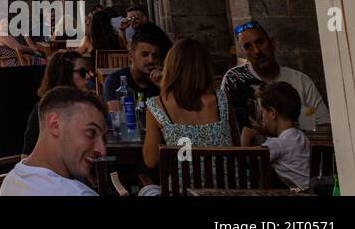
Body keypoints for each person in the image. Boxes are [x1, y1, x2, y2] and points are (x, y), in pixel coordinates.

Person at [143, 38, 235, 176]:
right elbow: (237, 145)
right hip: (229, 187)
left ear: (170, 66)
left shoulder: (158, 106)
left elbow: (151, 161)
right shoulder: (222, 100)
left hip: (183, 189)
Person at [222, 21, 330, 133]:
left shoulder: (301, 81)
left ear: (272, 43)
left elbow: (324, 125)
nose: (257, 51)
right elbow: (228, 128)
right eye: (248, 47)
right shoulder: (233, 79)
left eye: (260, 42)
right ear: (243, 53)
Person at [0, 86, 105, 196]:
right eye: (91, 132)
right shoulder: (78, 193)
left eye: (103, 138)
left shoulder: (10, 180)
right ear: (55, 125)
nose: (102, 150)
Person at [22, 50, 95, 155]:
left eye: (88, 72)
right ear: (65, 75)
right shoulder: (45, 109)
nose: (88, 76)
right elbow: (26, 157)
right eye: (82, 72)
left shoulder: (83, 105)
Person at [242, 81, 311, 189]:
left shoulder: (277, 144)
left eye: (263, 112)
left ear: (273, 113)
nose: (262, 119)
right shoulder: (301, 137)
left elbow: (248, 162)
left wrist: (246, 138)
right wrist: (265, 131)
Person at [102, 29, 162, 109]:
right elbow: (116, 117)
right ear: (131, 56)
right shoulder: (115, 81)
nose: (151, 60)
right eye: (144, 55)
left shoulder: (161, 81)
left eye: (155, 56)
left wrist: (163, 87)